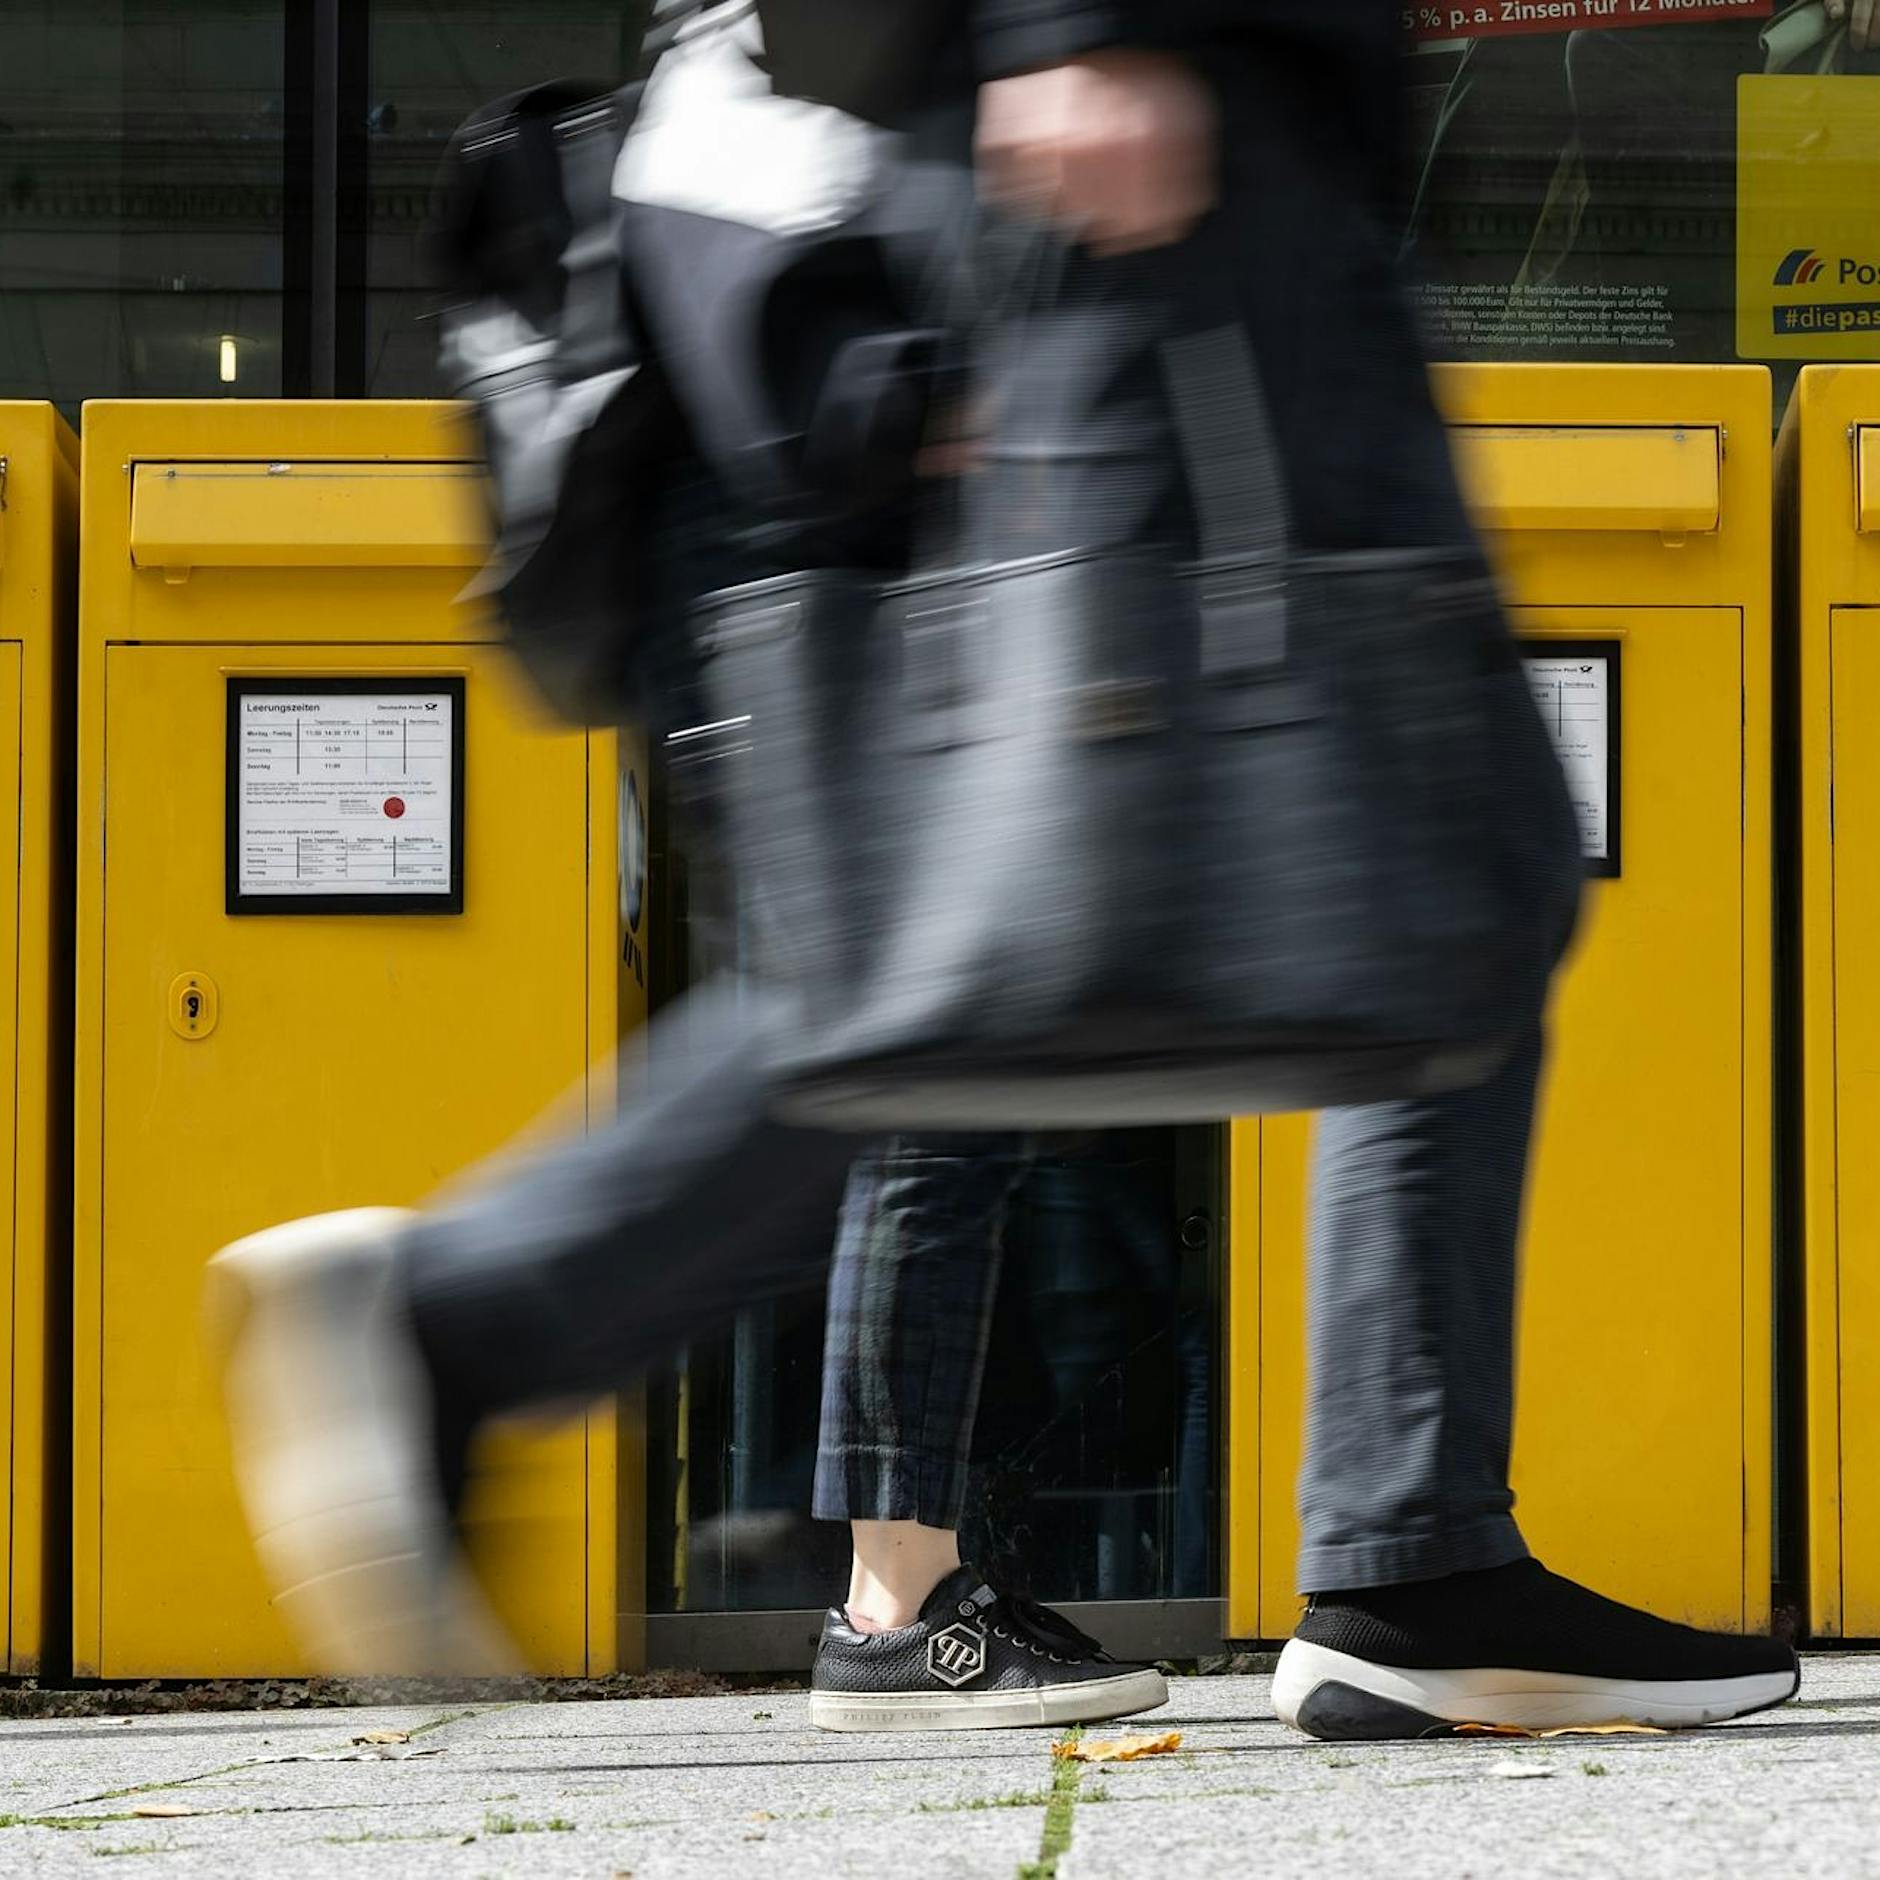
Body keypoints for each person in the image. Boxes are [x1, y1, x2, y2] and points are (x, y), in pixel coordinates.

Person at [208, 0, 1801, 1738]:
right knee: (1408, 861)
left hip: (1183, 130)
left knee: (1091, 917)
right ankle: (1400, 1562)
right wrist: (1083, 26)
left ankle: (478, 1314)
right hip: (1181, 126)